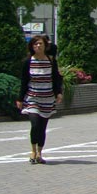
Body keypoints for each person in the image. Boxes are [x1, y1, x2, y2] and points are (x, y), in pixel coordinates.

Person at [16, 35, 63, 165]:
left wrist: (58, 93)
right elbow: (24, 81)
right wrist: (20, 98)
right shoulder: (28, 61)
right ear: (32, 46)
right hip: (32, 98)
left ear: (45, 46)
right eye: (35, 44)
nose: (38, 46)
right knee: (35, 124)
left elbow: (56, 78)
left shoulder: (51, 60)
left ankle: (40, 153)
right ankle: (32, 151)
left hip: (47, 98)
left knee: (42, 127)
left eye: (40, 44)